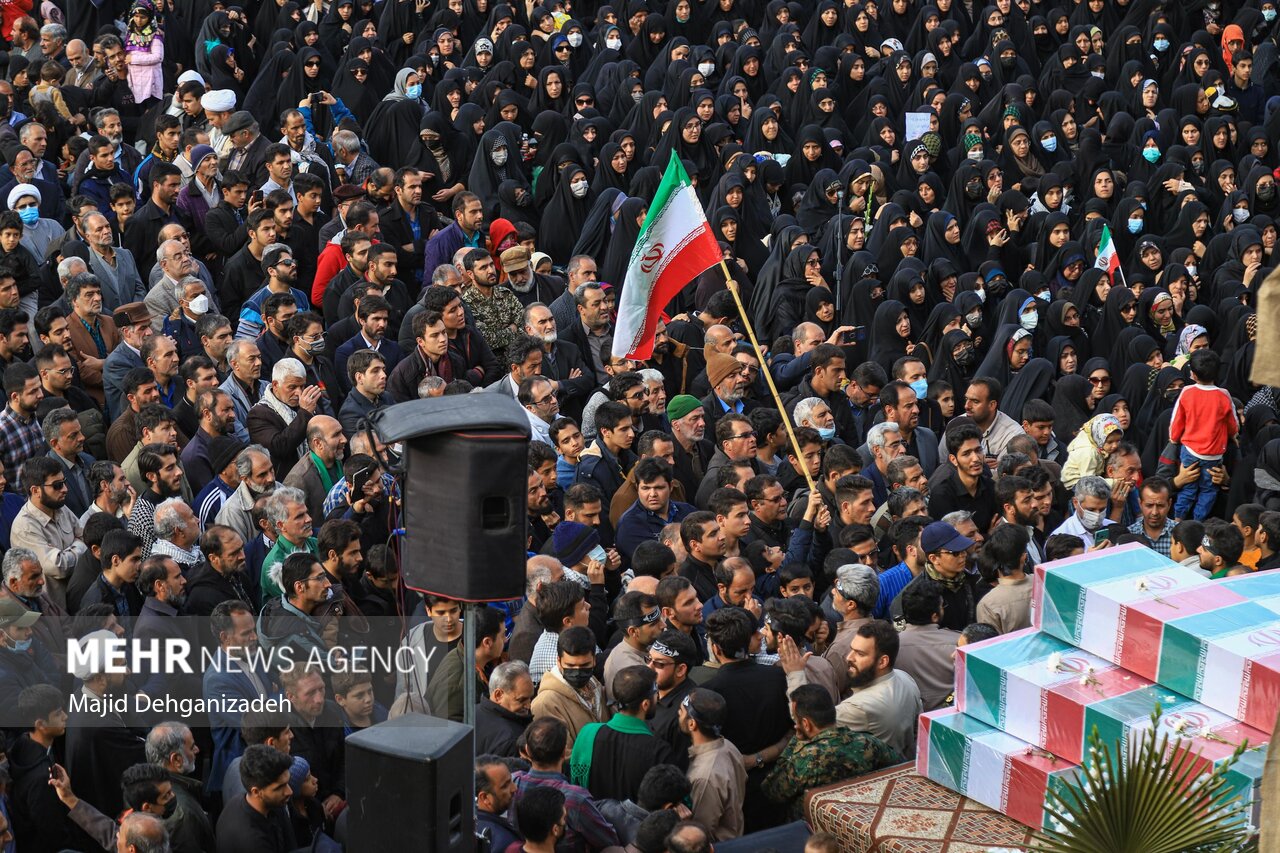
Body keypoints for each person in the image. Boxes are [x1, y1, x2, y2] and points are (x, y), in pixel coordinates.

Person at [762, 684, 900, 820]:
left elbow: (771, 791)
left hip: (813, 832)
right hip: (861, 818)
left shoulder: (806, 759)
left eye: (796, 720)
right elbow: (898, 765)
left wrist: (794, 742)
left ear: (805, 724)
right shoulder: (868, 742)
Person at [836, 620, 923, 757]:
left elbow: (811, 729)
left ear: (882, 662)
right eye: (852, 649)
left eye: (860, 654)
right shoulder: (905, 678)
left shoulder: (856, 707)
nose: (849, 657)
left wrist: (796, 674)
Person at [1170, 349, 1237, 520]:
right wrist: (1232, 436)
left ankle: (1178, 519)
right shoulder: (1224, 395)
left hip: (1190, 450)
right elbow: (1233, 425)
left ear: (1192, 373)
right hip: (1214, 454)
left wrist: (1174, 438)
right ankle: (1198, 521)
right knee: (1209, 490)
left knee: (1188, 488)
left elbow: (1177, 421)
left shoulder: (1187, 392)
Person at [679, 687, 747, 840]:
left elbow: (702, 831)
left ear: (692, 724)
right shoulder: (728, 746)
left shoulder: (704, 776)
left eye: (681, 711)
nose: (678, 714)